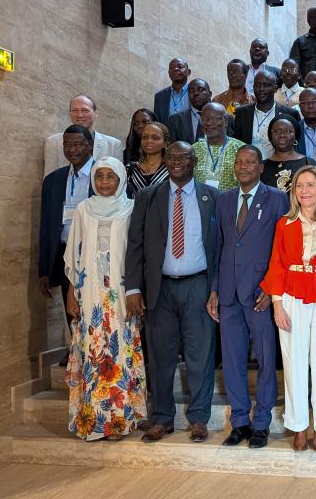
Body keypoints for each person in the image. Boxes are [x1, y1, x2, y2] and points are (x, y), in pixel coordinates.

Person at [125, 142, 220, 443]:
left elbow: (220, 246)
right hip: (159, 288)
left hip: (198, 285)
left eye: (183, 157)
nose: (177, 162)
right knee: (161, 357)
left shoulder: (212, 196)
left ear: (194, 161)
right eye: (171, 157)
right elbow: (135, 244)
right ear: (164, 160)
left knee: (200, 355)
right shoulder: (147, 196)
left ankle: (199, 419)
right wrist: (133, 287)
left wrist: (216, 288)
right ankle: (162, 419)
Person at [205, 145, 289, 450]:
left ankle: (262, 423)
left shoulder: (278, 198)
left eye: (250, 162)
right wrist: (214, 287)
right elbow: (220, 247)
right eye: (239, 162)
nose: (243, 167)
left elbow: (283, 250)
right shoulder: (224, 199)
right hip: (228, 292)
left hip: (260, 294)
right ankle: (240, 422)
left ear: (260, 167)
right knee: (232, 361)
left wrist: (272, 287)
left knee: (267, 361)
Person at [260, 166, 316, 452]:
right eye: (299, 186)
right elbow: (277, 263)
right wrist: (277, 305)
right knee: (294, 363)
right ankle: (298, 426)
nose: (305, 191)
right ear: (294, 191)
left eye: (310, 185)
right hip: (292, 297)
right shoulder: (284, 223)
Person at [63, 157, 147, 441]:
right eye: (100, 177)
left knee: (120, 352)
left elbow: (136, 254)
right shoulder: (84, 209)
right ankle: (94, 422)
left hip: (121, 295)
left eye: (111, 177)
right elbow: (73, 256)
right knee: (92, 352)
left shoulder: (131, 208)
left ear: (121, 179)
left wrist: (137, 291)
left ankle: (120, 422)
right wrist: (71, 293)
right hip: (89, 296)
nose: (105, 182)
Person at [40, 125, 96, 365]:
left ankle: (95, 348)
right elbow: (45, 225)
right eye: (68, 144)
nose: (72, 149)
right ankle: (76, 347)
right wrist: (43, 268)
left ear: (90, 146)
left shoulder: (103, 174)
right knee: (69, 303)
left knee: (93, 302)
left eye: (78, 144)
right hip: (64, 250)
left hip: (94, 251)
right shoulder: (53, 180)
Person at [44, 95, 124, 176]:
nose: (80, 115)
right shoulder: (53, 142)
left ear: (95, 113)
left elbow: (119, 179)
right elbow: (49, 180)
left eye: (85, 110)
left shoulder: (114, 145)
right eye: (75, 110)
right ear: (70, 113)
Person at [233, 70, 300, 159]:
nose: (261, 89)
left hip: (279, 168)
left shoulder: (290, 114)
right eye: (258, 85)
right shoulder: (241, 113)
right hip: (249, 168)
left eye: (267, 85)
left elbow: (297, 146)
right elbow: (237, 144)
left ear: (275, 88)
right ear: (253, 87)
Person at [192, 103, 246, 190]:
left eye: (214, 119)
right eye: (205, 119)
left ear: (226, 121)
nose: (209, 123)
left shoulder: (241, 149)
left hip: (231, 202)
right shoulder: (193, 150)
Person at [261, 115, 316, 192]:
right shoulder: (261, 166)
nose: (282, 135)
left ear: (295, 136)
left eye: (287, 131)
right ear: (271, 137)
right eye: (276, 131)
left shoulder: (308, 163)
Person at [127, 122, 170, 196]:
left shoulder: (172, 169)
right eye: (145, 137)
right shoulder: (130, 169)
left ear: (165, 143)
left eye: (155, 138)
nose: (149, 141)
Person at [167, 78, 213, 144]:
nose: (196, 93)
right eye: (191, 91)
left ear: (210, 94)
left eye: (200, 89)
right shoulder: (175, 120)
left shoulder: (223, 118)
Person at [153, 58, 191, 124]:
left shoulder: (195, 92)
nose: (175, 69)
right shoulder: (160, 97)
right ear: (169, 73)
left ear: (188, 72)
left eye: (180, 67)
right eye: (171, 68)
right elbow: (157, 123)